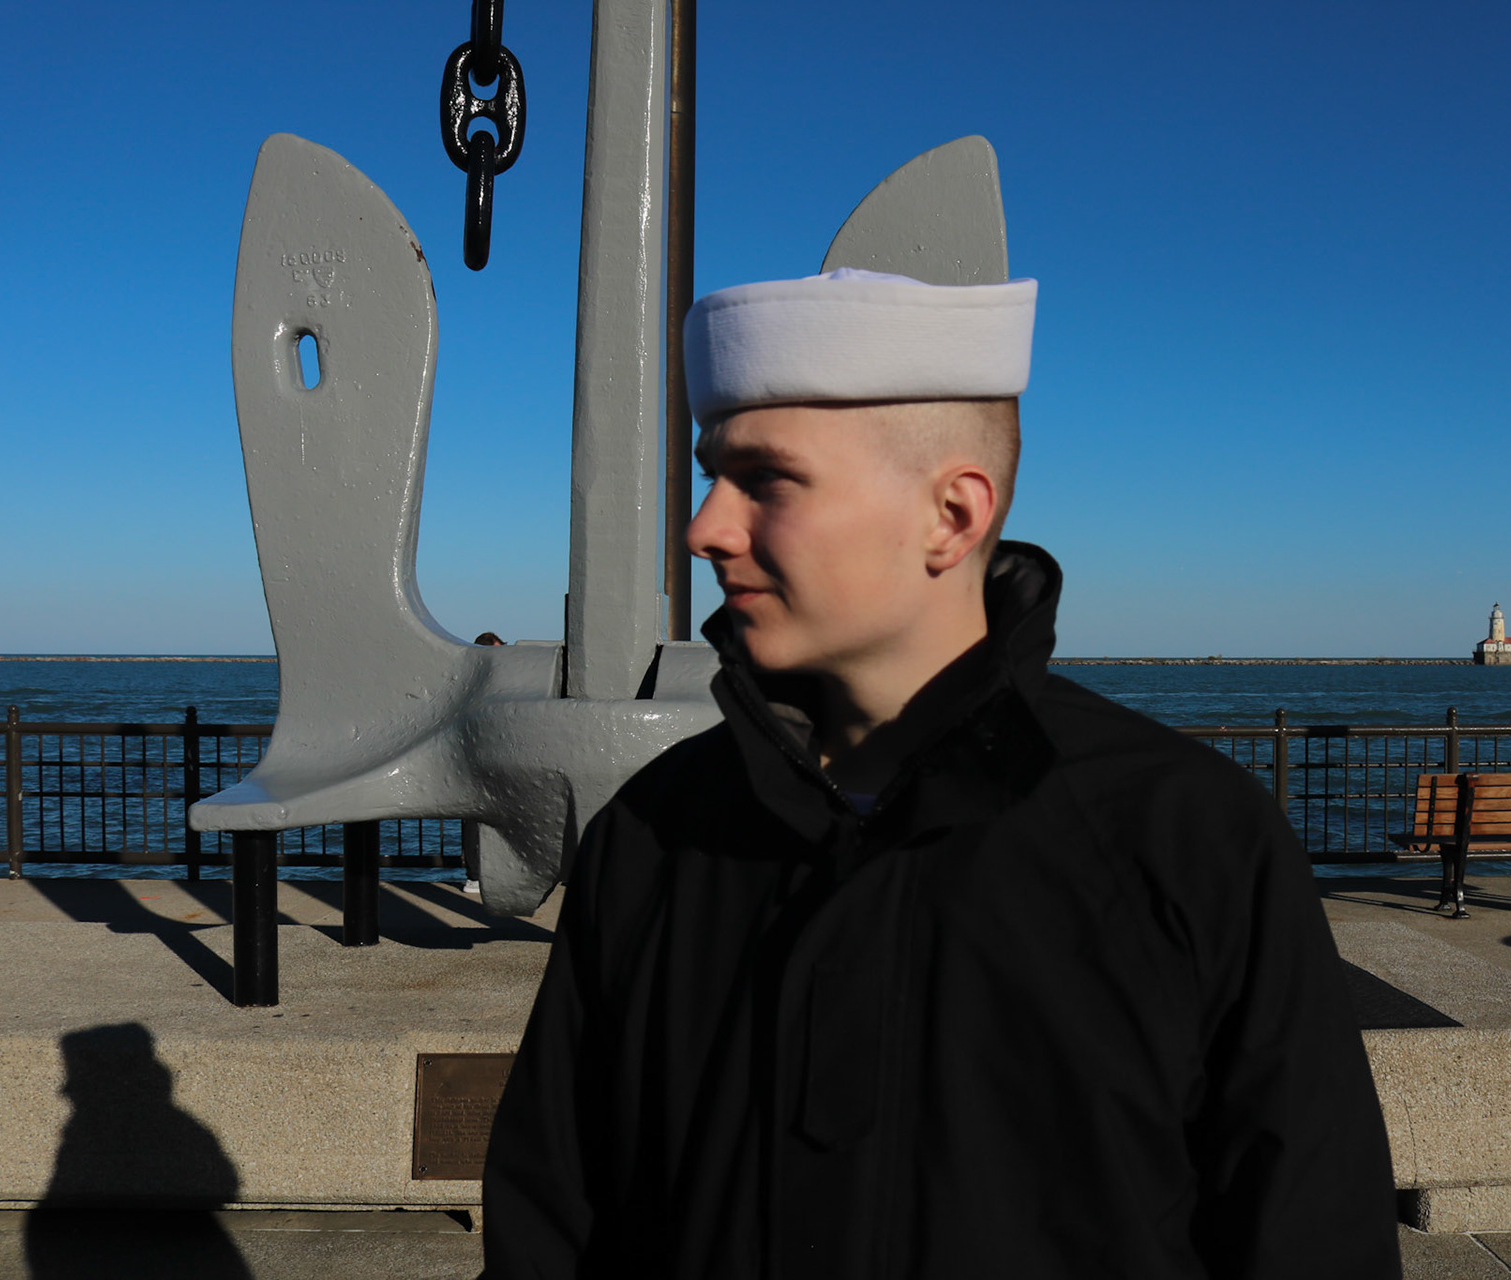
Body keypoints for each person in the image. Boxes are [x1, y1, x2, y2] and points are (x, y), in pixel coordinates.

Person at [482, 268, 1400, 1277]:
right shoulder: (655, 831)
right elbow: (552, 1225)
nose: (704, 527)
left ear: (954, 516)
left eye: (765, 480)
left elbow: (1313, 1237)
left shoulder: (1188, 841)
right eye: (710, 476)